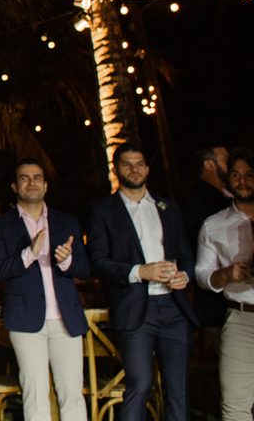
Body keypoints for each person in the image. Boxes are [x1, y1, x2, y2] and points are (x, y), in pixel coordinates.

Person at [86, 147, 197, 421]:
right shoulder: (102, 210)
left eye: (139, 164)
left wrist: (184, 275)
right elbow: (97, 261)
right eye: (127, 164)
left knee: (178, 390)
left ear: (147, 169)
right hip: (134, 307)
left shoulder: (169, 208)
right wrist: (139, 272)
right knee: (140, 383)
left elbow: (185, 254)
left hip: (174, 307)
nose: (134, 169)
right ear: (116, 170)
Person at [0, 159, 90, 421]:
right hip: (25, 320)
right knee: (35, 397)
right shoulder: (0, 225)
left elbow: (85, 268)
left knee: (73, 396)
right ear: (14, 186)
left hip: (66, 319)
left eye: (37, 177)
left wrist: (66, 261)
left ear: (45, 185)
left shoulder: (66, 221)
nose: (31, 182)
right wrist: (28, 254)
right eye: (24, 178)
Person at [194, 146, 254, 421]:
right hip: (241, 319)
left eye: (250, 174)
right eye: (236, 174)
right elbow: (202, 273)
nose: (243, 181)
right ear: (227, 179)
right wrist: (226, 275)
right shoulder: (214, 225)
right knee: (235, 405)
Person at [180, 142, 233, 339]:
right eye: (225, 160)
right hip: (216, 303)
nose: (231, 164)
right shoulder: (196, 202)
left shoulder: (229, 197)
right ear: (209, 165)